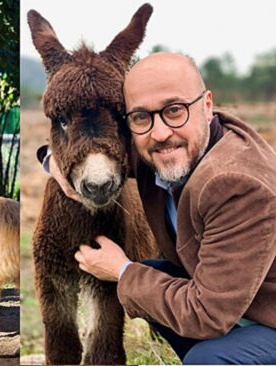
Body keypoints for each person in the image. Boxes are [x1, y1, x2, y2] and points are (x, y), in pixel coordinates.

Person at [41, 52, 276, 364]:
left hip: (266, 318)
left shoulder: (236, 183)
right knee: (151, 278)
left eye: (174, 110)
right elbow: (88, 142)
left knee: (206, 359)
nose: (161, 132)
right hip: (237, 303)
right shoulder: (169, 148)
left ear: (207, 105)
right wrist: (54, 161)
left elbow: (207, 314)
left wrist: (122, 271)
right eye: (141, 117)